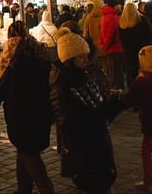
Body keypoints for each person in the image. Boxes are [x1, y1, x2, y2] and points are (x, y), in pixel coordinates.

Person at [50, 27, 121, 194]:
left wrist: (114, 103)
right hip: (84, 147)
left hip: (97, 142)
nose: (86, 60)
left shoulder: (85, 75)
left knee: (103, 182)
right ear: (69, 58)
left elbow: (98, 109)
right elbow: (69, 121)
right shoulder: (62, 86)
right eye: (81, 56)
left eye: (87, 56)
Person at [0, 20, 55, 194]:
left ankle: (45, 188)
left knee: (28, 152)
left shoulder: (13, 57)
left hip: (20, 111)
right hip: (40, 109)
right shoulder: (40, 52)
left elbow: (2, 85)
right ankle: (23, 188)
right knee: (25, 148)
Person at [122, 45, 152, 194]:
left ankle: (149, 181)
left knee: (147, 151)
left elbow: (132, 99)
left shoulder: (142, 80)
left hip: (150, 121)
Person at [119, 2, 152, 82]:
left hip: (128, 54)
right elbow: (151, 35)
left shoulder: (121, 23)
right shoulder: (142, 20)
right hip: (142, 51)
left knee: (131, 75)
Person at [98, 0, 125, 91]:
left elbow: (101, 32)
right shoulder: (114, 17)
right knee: (117, 73)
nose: (120, 6)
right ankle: (118, 93)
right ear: (115, 6)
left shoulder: (104, 16)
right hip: (116, 48)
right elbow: (111, 34)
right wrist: (105, 46)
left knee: (112, 71)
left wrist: (102, 45)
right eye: (118, 4)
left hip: (108, 49)